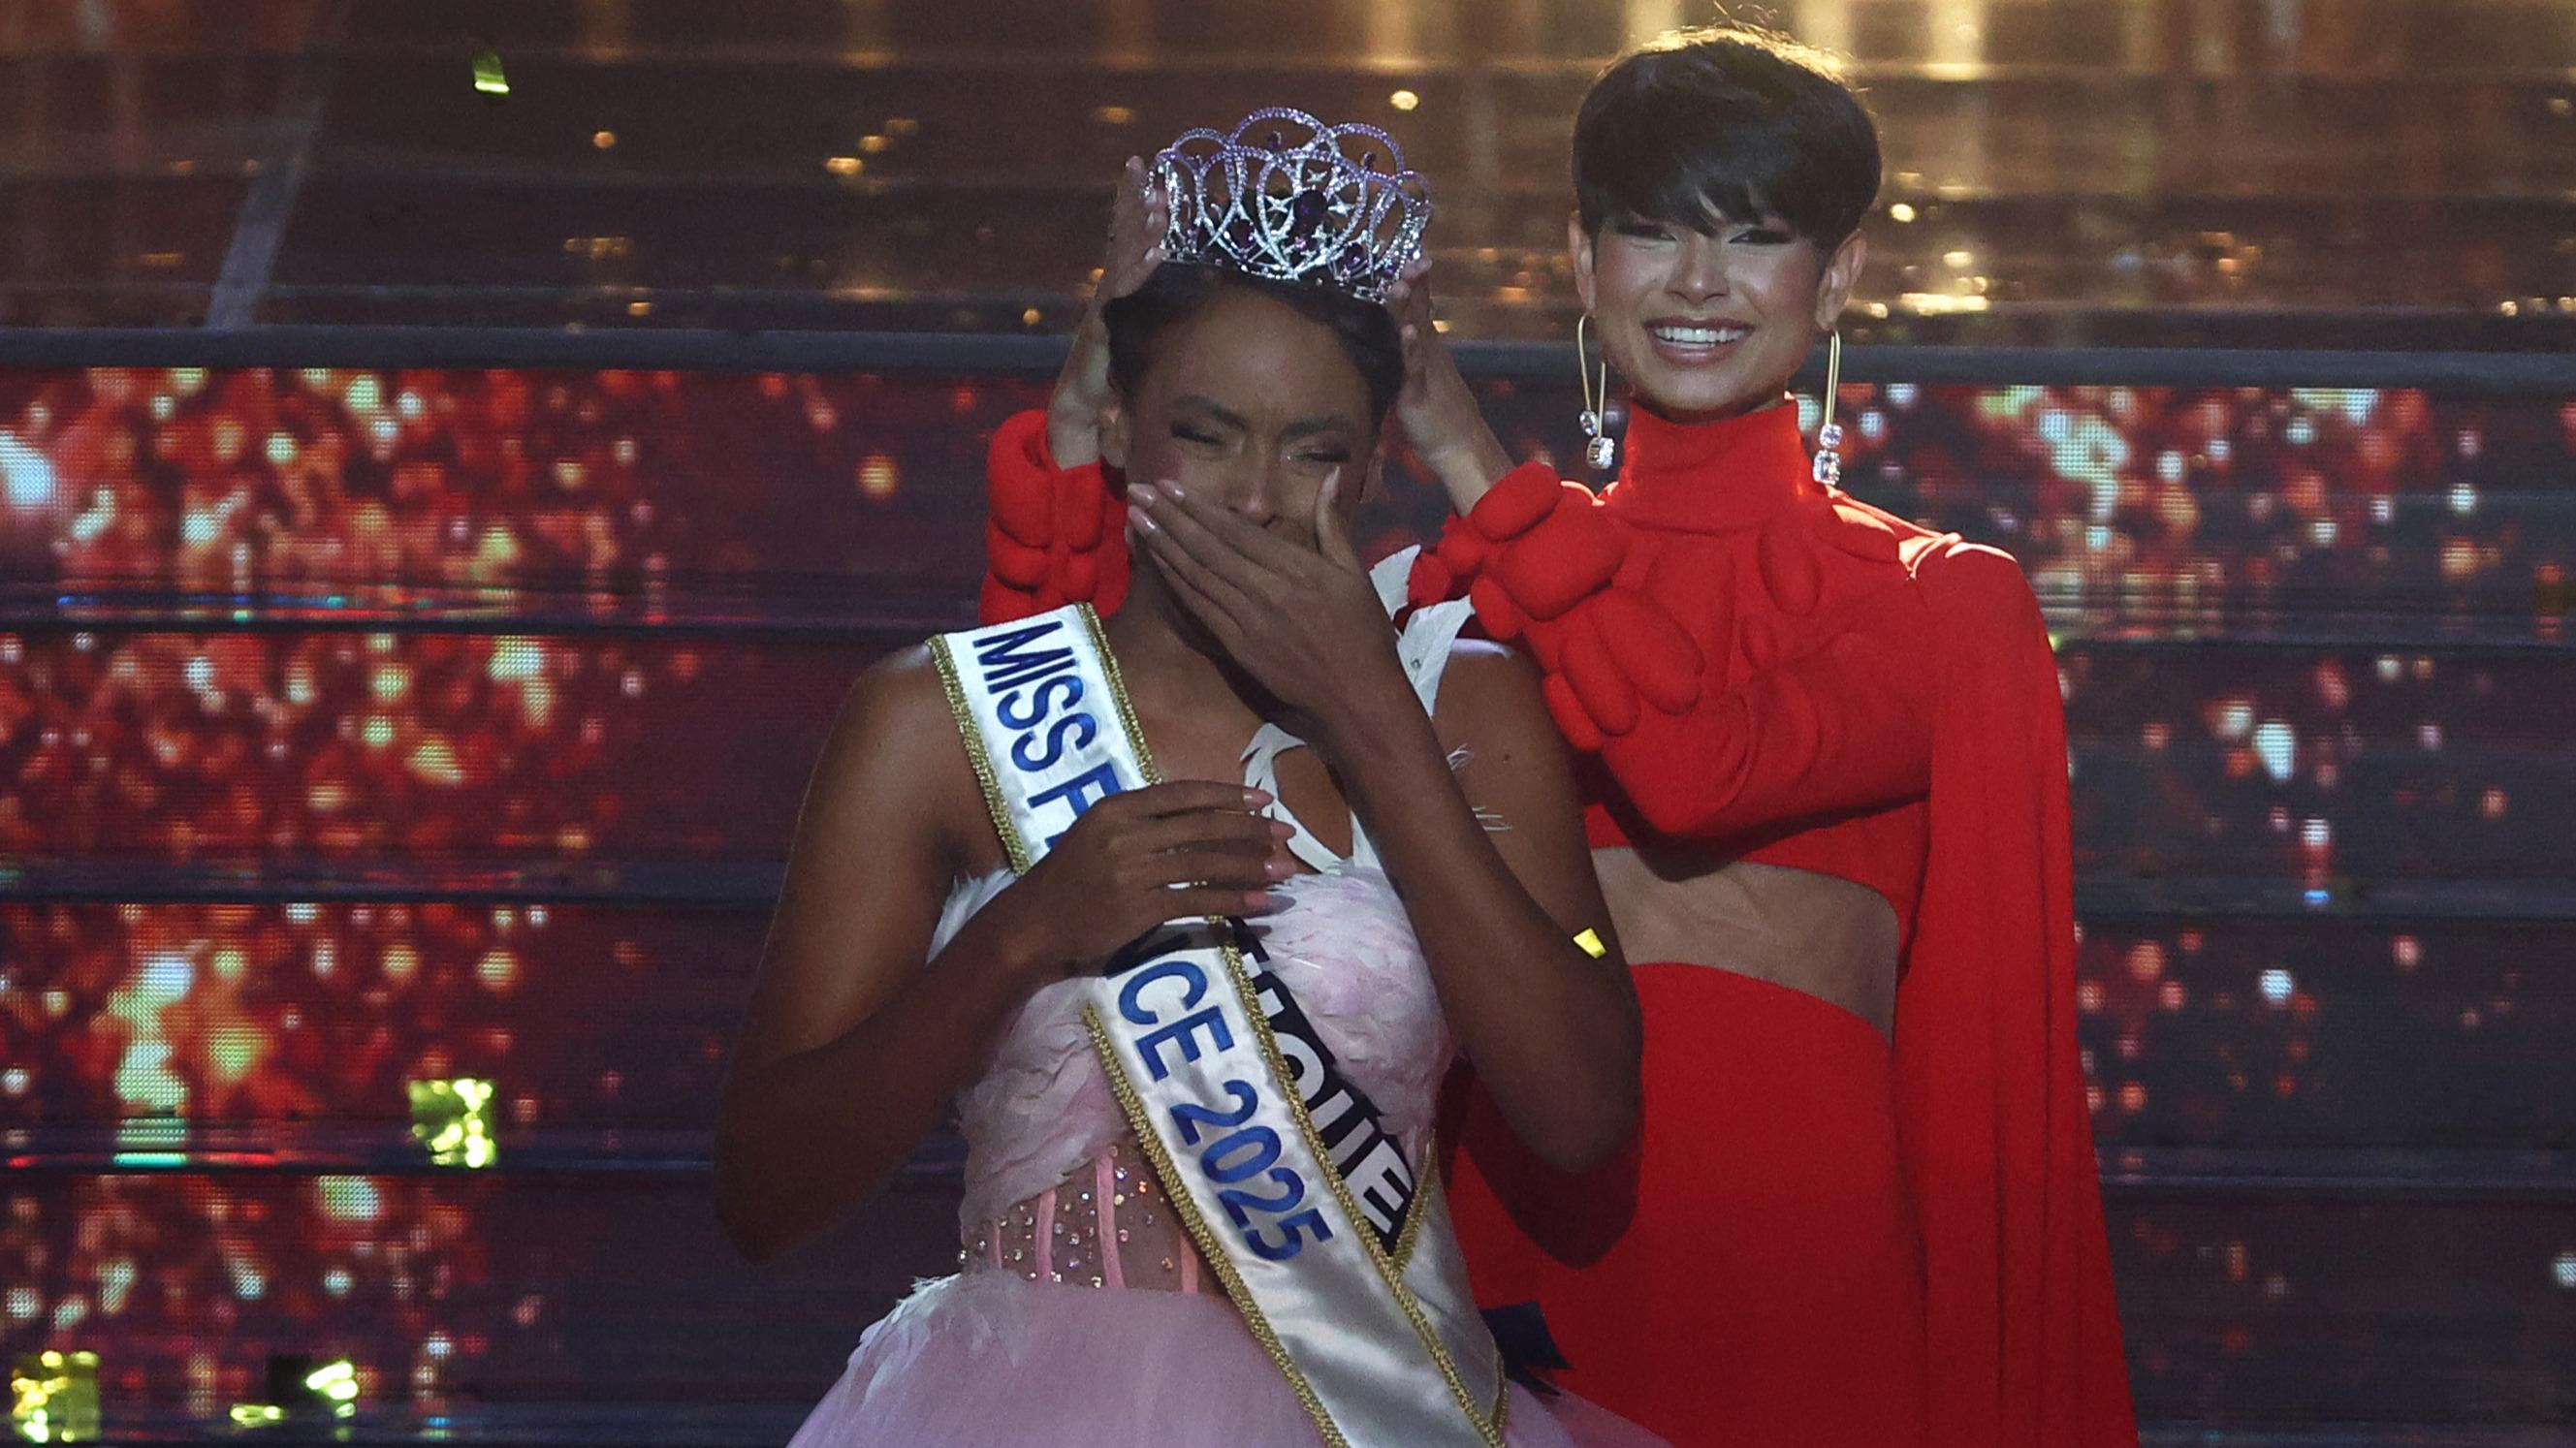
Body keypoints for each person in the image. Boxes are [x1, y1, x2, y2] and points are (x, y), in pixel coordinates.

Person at [976, 29, 2139, 1448]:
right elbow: (1079, 735)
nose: (1696, 282)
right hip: (1505, 1234)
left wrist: (1461, 439)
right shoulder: (1431, 598)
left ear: (1836, 279)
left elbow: (1694, 764)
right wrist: (1092, 396)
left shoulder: (1935, 600)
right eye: (1648, 231)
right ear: (1581, 264)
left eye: (1754, 237)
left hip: (1798, 1283)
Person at [720, 110, 1659, 1448]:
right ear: (1118, 429)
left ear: (1376, 459)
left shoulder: (1463, 696)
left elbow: (1579, 1114)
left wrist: (1372, 720)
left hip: (1375, 1403)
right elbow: (764, 1191)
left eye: (1314, 448)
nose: (1258, 499)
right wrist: (1025, 930)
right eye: (1208, 435)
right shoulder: (940, 719)